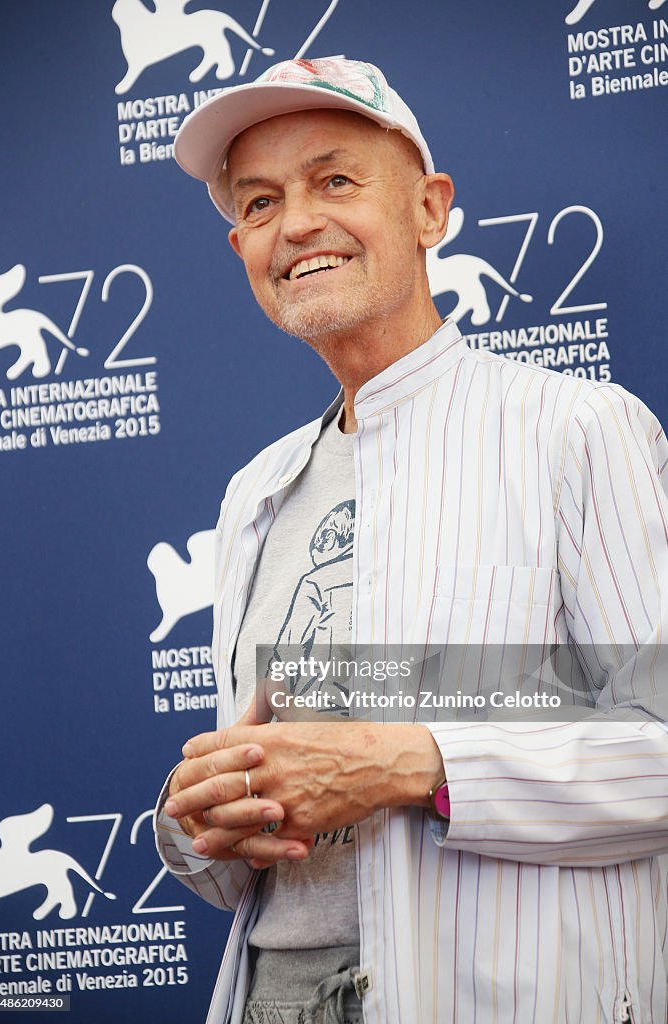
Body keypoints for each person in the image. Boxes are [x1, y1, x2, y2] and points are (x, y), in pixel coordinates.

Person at [154, 57, 668, 1024]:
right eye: (260, 203)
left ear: (430, 210)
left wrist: (405, 764)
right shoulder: (254, 491)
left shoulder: (575, 430)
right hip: (272, 995)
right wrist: (203, 818)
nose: (296, 221)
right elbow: (258, 817)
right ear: (240, 248)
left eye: (334, 180)